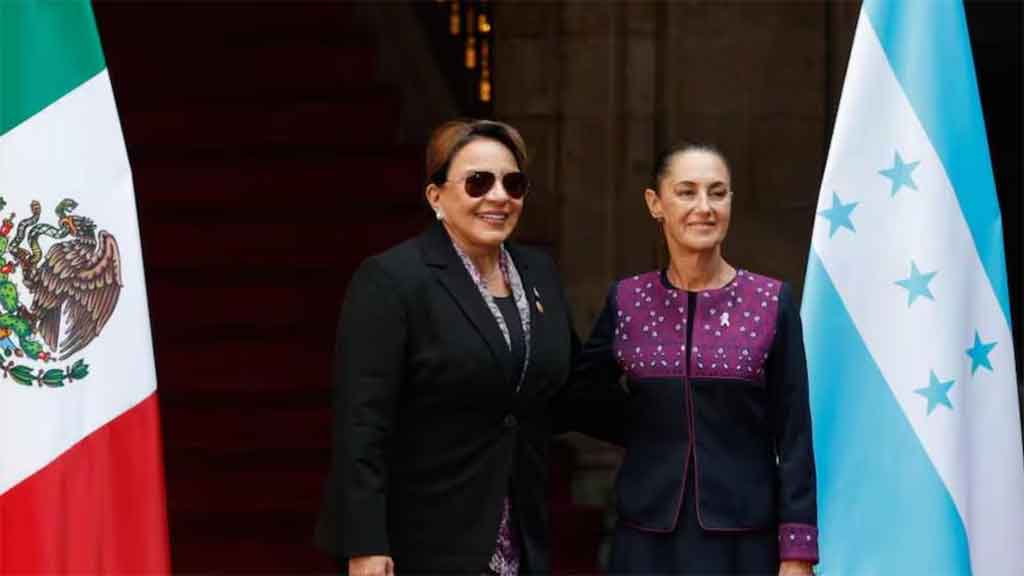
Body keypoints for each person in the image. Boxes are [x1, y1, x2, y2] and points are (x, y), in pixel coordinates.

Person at [315, 119, 584, 576]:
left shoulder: (539, 273)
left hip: (518, 533)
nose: (498, 196)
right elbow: (362, 423)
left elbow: (570, 387)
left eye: (512, 183)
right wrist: (365, 543)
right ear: (435, 196)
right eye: (478, 182)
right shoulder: (393, 280)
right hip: (422, 539)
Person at [575, 142, 818, 575]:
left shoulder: (770, 300)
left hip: (745, 536)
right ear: (656, 203)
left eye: (717, 192)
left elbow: (794, 431)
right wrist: (651, 426)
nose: (703, 207)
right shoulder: (628, 299)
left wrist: (797, 551)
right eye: (686, 192)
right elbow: (581, 393)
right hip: (645, 533)